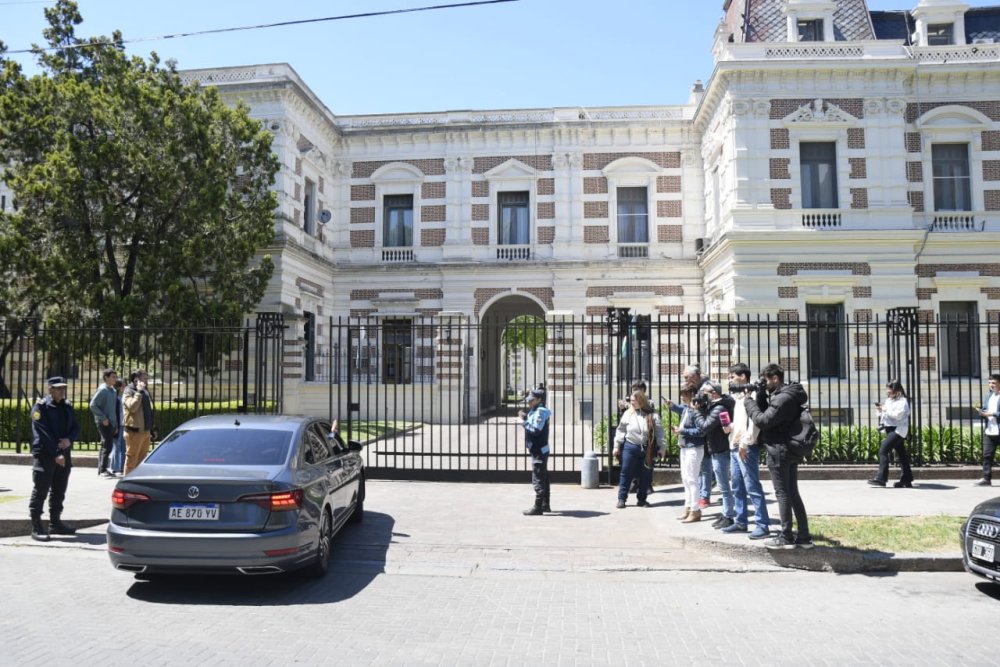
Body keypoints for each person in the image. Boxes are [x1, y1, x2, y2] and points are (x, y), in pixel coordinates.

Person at [743, 363, 813, 550]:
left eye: (766, 380)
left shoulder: (782, 398)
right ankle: (804, 536)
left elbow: (763, 421)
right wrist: (759, 395)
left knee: (783, 493)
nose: (765, 383)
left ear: (776, 378)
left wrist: (748, 401)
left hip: (778, 450)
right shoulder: (789, 394)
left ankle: (786, 536)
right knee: (792, 493)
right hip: (787, 448)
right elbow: (769, 414)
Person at [28, 376, 81, 541]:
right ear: (50, 390)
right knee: (41, 490)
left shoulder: (66, 406)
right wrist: (56, 452)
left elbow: (76, 427)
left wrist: (69, 440)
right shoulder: (40, 407)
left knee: (59, 489)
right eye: (58, 388)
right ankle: (36, 526)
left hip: (63, 454)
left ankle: (55, 523)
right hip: (46, 454)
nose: (62, 391)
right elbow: (43, 433)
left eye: (63, 388)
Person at [727, 363, 771, 540]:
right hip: (735, 445)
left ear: (743, 376)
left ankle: (762, 524)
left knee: (752, 486)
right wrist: (729, 428)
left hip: (747, 446)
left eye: (732, 376)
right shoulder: (738, 396)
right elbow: (739, 422)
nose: (730, 379)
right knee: (737, 486)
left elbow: (755, 423)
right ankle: (741, 521)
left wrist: (746, 443)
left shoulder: (754, 394)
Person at [690, 381, 736, 530]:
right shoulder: (715, 406)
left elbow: (705, 427)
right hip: (717, 449)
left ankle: (728, 516)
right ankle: (726, 514)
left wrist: (696, 412)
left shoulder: (720, 408)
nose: (703, 396)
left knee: (724, 486)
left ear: (714, 393)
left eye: (706, 393)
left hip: (721, 450)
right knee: (723, 485)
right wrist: (702, 408)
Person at [613, 390, 665, 509]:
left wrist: (662, 447)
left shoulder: (652, 414)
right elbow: (620, 430)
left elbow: (660, 432)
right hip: (630, 446)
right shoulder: (628, 413)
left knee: (646, 474)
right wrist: (617, 446)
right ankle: (622, 499)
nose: (631, 403)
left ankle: (642, 499)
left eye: (633, 401)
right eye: (630, 401)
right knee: (626, 472)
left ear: (641, 401)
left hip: (647, 447)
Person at [868, 380, 913, 488]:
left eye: (889, 389)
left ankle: (881, 478)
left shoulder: (903, 401)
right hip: (890, 429)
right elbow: (884, 414)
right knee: (902, 455)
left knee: (883, 450)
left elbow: (897, 415)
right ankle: (907, 479)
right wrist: (880, 410)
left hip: (898, 430)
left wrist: (885, 409)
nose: (887, 392)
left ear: (896, 390)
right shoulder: (889, 400)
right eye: (887, 389)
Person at [669, 387, 705, 522]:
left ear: (692, 395)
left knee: (692, 479)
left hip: (694, 447)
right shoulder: (686, 409)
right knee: (685, 478)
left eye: (684, 395)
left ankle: (695, 510)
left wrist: (682, 431)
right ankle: (688, 507)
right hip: (684, 447)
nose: (682, 398)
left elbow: (701, 431)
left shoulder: (697, 411)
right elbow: (680, 409)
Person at [682, 364, 714, 510]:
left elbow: (706, 410)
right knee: (699, 470)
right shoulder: (697, 389)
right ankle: (701, 495)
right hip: (701, 429)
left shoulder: (706, 388)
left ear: (694, 376)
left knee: (705, 467)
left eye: (686, 377)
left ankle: (704, 497)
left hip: (706, 432)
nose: (685, 380)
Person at [519, 385, 552, 516]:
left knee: (538, 477)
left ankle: (538, 507)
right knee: (543, 476)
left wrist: (523, 422)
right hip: (540, 448)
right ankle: (545, 504)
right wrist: (525, 417)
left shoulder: (540, 412)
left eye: (532, 400)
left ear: (539, 399)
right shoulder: (535, 410)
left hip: (539, 449)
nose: (529, 402)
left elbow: (536, 430)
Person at [122, 369, 155, 475]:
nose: (147, 381)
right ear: (136, 380)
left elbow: (147, 411)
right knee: (132, 459)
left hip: (145, 431)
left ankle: (136, 481)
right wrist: (138, 392)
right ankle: (126, 483)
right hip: (134, 432)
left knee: (142, 460)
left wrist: (152, 428)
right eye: (144, 379)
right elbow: (132, 407)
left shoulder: (144, 391)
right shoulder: (129, 391)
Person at [89, 369, 119, 478]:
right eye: (113, 377)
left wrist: (115, 424)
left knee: (106, 445)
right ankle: (102, 470)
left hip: (111, 423)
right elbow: (93, 405)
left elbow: (112, 410)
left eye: (116, 377)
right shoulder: (103, 390)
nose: (115, 379)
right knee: (107, 446)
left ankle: (103, 469)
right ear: (106, 377)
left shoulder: (113, 391)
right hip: (103, 423)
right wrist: (103, 418)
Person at [975, 373, 1000, 486]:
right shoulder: (988, 396)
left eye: (994, 383)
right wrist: (982, 412)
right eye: (990, 383)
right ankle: (986, 478)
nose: (991, 385)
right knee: (987, 455)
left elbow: (995, 413)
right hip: (989, 431)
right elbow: (985, 409)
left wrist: (993, 413)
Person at [110, 378, 126, 475]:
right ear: (120, 387)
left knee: (124, 447)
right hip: (118, 425)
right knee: (117, 446)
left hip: (124, 424)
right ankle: (115, 467)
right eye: (123, 386)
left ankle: (122, 467)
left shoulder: (123, 398)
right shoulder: (115, 399)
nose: (125, 387)